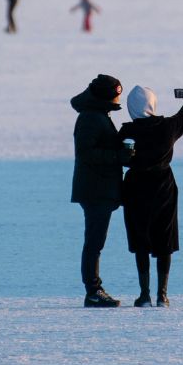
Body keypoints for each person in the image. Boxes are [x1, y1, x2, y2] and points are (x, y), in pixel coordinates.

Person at [118, 85, 183, 307]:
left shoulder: (126, 133)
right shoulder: (168, 127)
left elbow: (118, 157)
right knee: (165, 238)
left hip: (135, 188)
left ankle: (144, 295)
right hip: (164, 187)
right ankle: (162, 295)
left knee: (140, 238)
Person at [70, 73, 133, 307]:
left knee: (96, 242)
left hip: (99, 189)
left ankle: (93, 289)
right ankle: (93, 291)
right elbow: (86, 154)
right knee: (94, 243)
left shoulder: (97, 115)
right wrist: (118, 156)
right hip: (95, 191)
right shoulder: (89, 118)